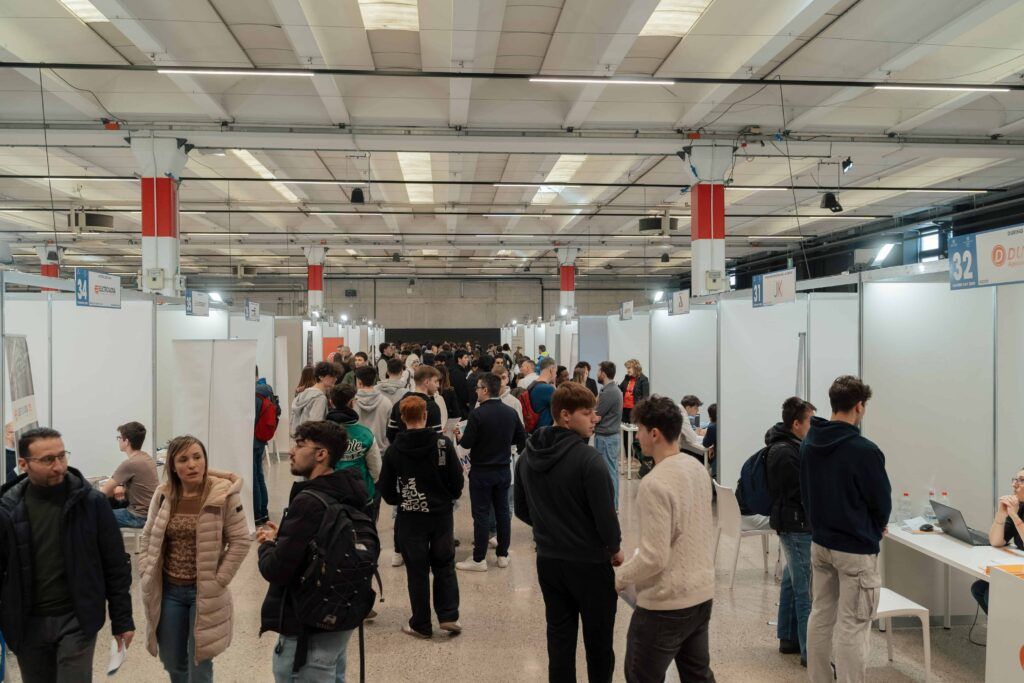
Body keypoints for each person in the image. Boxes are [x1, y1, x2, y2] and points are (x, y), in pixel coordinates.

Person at [0, 427, 135, 680]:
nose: (59, 466)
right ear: (23, 464)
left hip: (77, 619)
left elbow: (115, 565)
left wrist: (122, 619)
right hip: (28, 625)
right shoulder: (7, 509)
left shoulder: (91, 503)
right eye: (48, 459)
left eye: (62, 456)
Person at [515, 382, 623, 683]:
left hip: (549, 561)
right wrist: (615, 548)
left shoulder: (527, 457)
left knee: (559, 639)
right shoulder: (590, 460)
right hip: (590, 564)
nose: (595, 418)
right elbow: (605, 518)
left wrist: (549, 527)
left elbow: (521, 509)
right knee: (599, 642)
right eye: (587, 413)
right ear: (565, 415)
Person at [258, 420, 369, 681]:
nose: (291, 451)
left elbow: (277, 569)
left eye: (299, 445)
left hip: (306, 625)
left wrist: (268, 544)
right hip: (340, 613)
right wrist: (286, 536)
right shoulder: (350, 492)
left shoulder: (309, 502)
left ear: (321, 454)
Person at [616, 396, 716, 683]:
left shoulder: (654, 483)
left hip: (665, 604)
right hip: (701, 593)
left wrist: (621, 576)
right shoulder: (696, 468)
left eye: (640, 430)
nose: (637, 437)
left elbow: (654, 557)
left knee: (640, 675)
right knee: (698, 675)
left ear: (654, 434)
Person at [801, 376, 891, 683]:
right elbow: (881, 502)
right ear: (859, 406)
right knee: (853, 625)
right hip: (855, 549)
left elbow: (806, 492)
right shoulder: (864, 450)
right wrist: (876, 526)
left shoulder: (810, 442)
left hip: (821, 543)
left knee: (821, 615)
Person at [139, 435, 250, 682]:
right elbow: (147, 535)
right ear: (172, 466)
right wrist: (145, 569)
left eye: (197, 457)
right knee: (172, 660)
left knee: (200, 664)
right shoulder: (163, 494)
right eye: (183, 459)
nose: (192, 465)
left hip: (204, 591)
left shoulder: (223, 495)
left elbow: (241, 540)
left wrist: (220, 579)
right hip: (169, 591)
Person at [379, 396, 464, 639]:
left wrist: (400, 499)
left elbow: (386, 489)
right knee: (444, 564)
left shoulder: (394, 451)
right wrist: (448, 496)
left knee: (416, 570)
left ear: (402, 418)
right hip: (440, 515)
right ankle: (448, 615)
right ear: (425, 415)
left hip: (410, 517)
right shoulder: (442, 444)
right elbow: (457, 481)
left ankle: (421, 623)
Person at [456, 372, 527, 572]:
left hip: (481, 471)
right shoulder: (510, 412)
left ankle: (479, 559)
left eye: (478, 388)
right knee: (503, 512)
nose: (476, 391)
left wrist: (460, 437)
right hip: (503, 469)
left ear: (485, 390)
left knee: (481, 514)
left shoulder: (477, 414)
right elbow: (521, 439)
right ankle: (503, 555)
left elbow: (467, 444)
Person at [765, 397, 816, 665]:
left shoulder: (786, 446)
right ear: (796, 424)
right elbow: (800, 492)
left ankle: (788, 638)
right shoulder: (787, 452)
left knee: (791, 578)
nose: (813, 427)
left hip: (791, 523)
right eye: (810, 422)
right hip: (796, 524)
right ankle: (810, 653)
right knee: (804, 588)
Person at [971, 468, 1024, 614]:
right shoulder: (1019, 506)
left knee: (990, 595)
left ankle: (1008, 627)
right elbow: (996, 541)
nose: (1014, 484)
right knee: (978, 589)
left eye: (1021, 480)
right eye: (1015, 479)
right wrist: (1001, 514)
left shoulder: (1016, 511)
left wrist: (1014, 516)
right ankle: (1003, 627)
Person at [327, 384, 382, 512]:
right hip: (361, 495)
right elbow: (376, 470)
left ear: (331, 402)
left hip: (331, 494)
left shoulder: (321, 433)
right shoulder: (365, 434)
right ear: (352, 402)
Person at [100, 420, 159, 529]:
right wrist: (121, 487)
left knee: (95, 515)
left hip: (138, 517)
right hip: (151, 513)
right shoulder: (147, 458)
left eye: (119, 438)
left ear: (126, 441)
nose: (118, 440)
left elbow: (103, 492)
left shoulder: (130, 464)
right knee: (110, 502)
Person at [594, 361, 623, 510]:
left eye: (598, 371)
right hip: (609, 437)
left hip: (606, 438)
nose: (597, 374)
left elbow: (597, 415)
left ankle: (611, 507)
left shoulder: (609, 392)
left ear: (603, 373)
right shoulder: (610, 390)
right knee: (611, 471)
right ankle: (613, 506)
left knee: (609, 473)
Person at [254, 370, 279, 525]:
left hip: (252, 441)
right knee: (259, 475)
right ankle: (264, 512)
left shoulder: (254, 395)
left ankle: (256, 514)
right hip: (261, 440)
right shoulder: (267, 391)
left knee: (254, 477)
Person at [353, 365, 393, 450]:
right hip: (380, 450)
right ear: (374, 380)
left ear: (359, 382)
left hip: (357, 451)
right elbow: (390, 430)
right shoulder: (386, 402)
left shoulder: (351, 403)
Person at [291, 361, 341, 428]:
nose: (335, 379)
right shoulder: (320, 398)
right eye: (331, 376)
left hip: (300, 432)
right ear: (321, 377)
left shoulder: (304, 393)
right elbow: (315, 425)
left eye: (335, 376)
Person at [619, 359, 649, 452]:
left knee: (636, 434)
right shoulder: (627, 378)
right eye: (627, 368)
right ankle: (628, 455)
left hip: (636, 411)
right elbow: (620, 389)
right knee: (625, 433)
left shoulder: (643, 379)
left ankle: (636, 456)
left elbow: (645, 398)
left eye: (629, 368)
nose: (627, 370)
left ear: (636, 368)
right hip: (625, 410)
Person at [529, 357, 558, 429]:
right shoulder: (548, 389)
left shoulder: (532, 385)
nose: (556, 375)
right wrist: (555, 389)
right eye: (556, 372)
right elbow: (560, 408)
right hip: (545, 431)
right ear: (551, 369)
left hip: (535, 430)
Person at [678, 395, 707, 462]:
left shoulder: (678, 411)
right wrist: (697, 433)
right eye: (696, 408)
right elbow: (692, 438)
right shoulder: (682, 416)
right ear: (688, 407)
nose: (698, 410)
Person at [702, 403, 718, 481]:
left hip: (718, 462)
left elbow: (705, 443)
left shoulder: (712, 427)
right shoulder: (726, 425)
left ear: (710, 416)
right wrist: (713, 446)